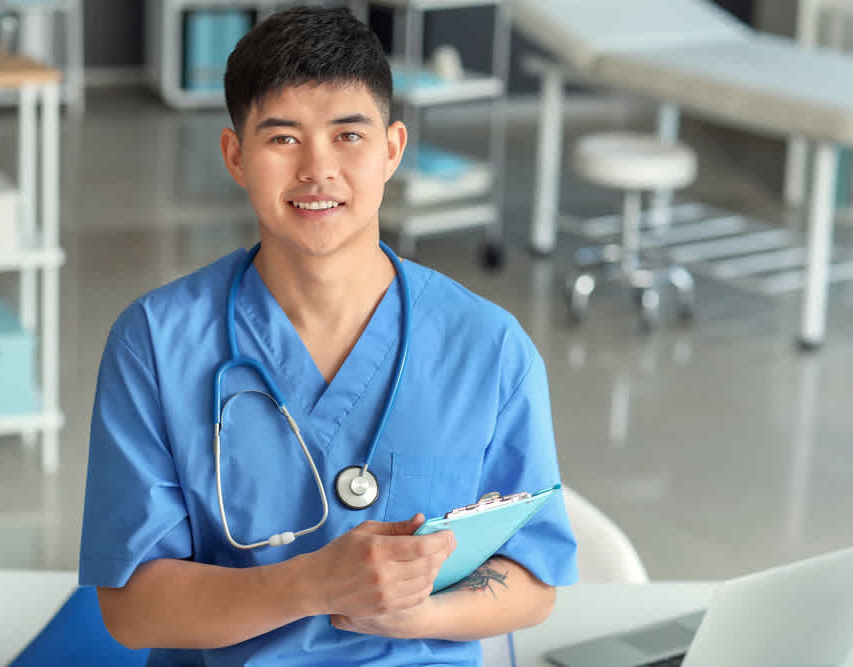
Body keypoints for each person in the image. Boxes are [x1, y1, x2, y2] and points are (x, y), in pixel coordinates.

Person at [79, 6, 578, 666]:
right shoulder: (155, 343)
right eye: (283, 139)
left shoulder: (488, 348)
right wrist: (314, 583)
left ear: (393, 149)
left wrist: (415, 613)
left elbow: (534, 579)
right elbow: (133, 606)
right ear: (235, 155)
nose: (319, 169)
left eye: (349, 135)